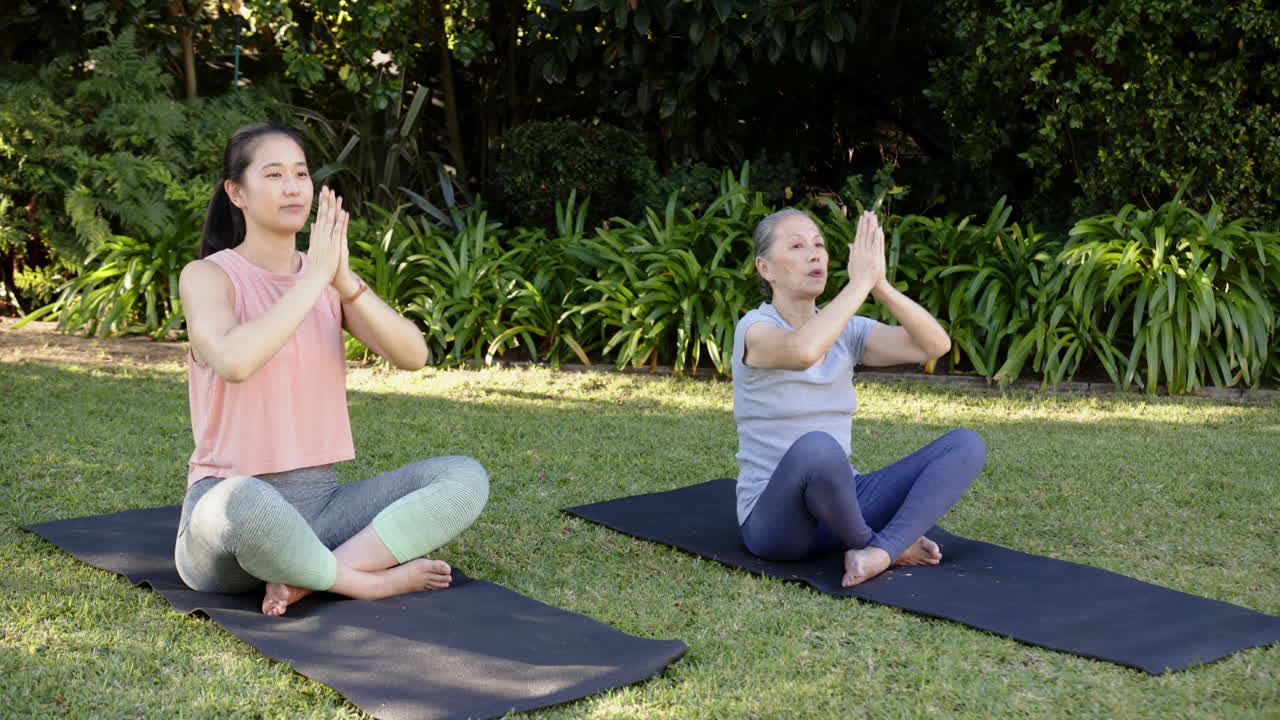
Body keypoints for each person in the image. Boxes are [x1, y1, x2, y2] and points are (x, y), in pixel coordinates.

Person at [175, 123, 488, 616]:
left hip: (321, 509)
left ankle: (310, 576)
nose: (294, 185)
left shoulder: (326, 278)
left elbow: (413, 355)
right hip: (232, 525)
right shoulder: (209, 276)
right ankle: (360, 582)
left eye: (300, 173)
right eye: (274, 174)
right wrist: (316, 277)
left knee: (464, 478)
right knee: (246, 499)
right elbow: (234, 361)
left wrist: (342, 281)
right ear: (236, 193)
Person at [733, 208, 985, 587]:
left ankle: (878, 554)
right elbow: (803, 351)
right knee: (818, 447)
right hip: (778, 523)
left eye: (819, 245)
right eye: (798, 246)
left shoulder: (849, 330)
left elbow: (934, 345)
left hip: (842, 505)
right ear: (765, 268)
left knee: (965, 445)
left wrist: (878, 284)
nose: (815, 253)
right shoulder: (755, 328)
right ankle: (879, 544)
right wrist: (857, 285)